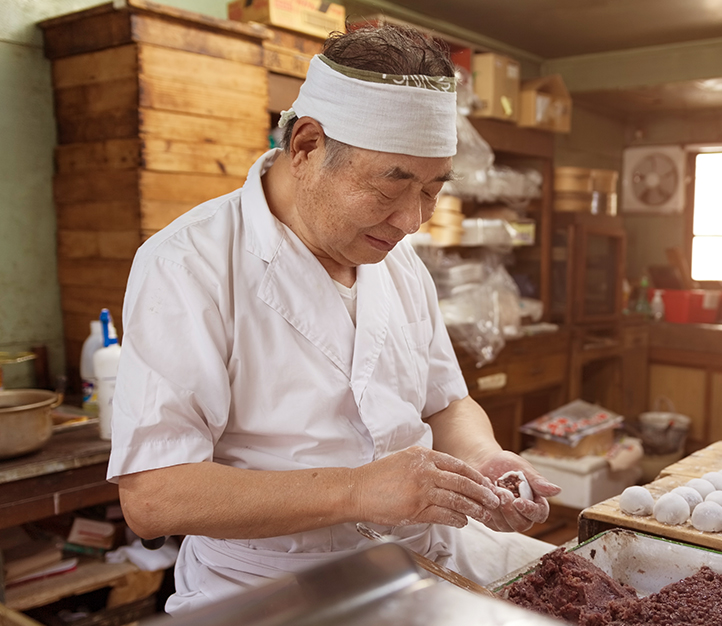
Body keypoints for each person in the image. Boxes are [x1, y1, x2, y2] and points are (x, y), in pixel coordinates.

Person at [107, 24, 560, 615]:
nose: (411, 222)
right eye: (391, 185)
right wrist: (357, 491)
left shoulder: (398, 262)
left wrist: (481, 458)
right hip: (274, 589)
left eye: (432, 190)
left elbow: (444, 404)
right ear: (306, 146)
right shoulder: (188, 264)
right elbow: (154, 495)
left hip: (426, 559)